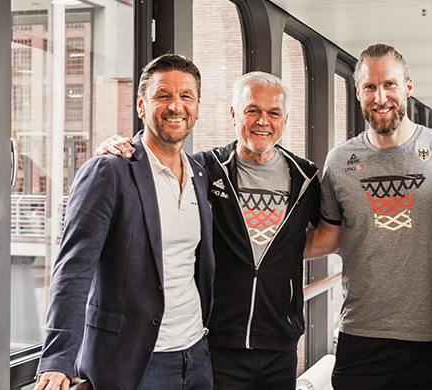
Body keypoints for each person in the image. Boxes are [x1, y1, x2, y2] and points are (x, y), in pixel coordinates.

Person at [96, 71, 320, 389]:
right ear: (233, 114)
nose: (263, 121)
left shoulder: (306, 177)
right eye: (252, 110)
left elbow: (327, 234)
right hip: (216, 342)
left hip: (279, 342)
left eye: (274, 113)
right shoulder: (202, 170)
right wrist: (116, 148)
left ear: (285, 119)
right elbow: (153, 175)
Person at [33, 54, 215, 390]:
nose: (176, 106)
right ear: (142, 107)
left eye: (186, 96)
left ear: (197, 107)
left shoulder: (199, 174)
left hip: (196, 355)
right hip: (136, 361)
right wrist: (58, 359)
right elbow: (73, 270)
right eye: (163, 96)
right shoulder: (110, 171)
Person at [304, 43, 432, 389]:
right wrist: (255, 248)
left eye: (390, 85)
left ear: (408, 86)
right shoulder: (339, 162)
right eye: (369, 87)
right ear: (358, 92)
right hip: (361, 332)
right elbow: (330, 236)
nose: (380, 97)